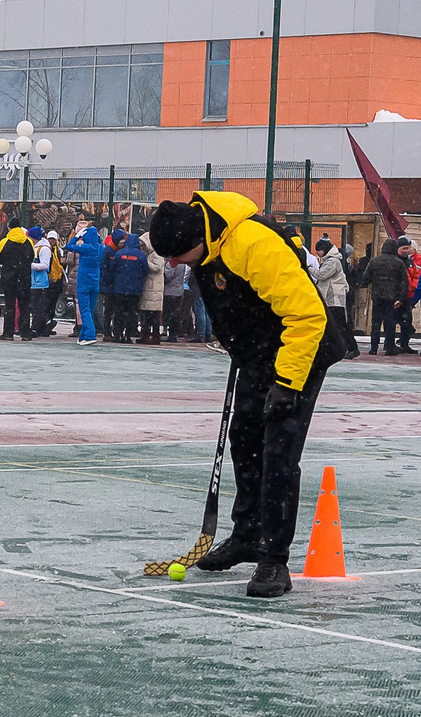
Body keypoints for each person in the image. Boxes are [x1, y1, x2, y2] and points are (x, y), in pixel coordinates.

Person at [147, 190, 347, 599]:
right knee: (245, 439)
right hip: (259, 352)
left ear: (195, 240)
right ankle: (246, 535)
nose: (171, 264)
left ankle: (274, 559)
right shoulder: (207, 248)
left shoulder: (253, 244)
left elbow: (305, 315)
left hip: (301, 349)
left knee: (279, 451)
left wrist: (287, 385)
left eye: (175, 256)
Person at [362, 236, 410, 354]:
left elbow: (365, 278)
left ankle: (373, 348)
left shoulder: (374, 261)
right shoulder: (398, 263)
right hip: (392, 298)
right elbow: (404, 282)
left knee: (376, 323)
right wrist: (400, 298)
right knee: (390, 323)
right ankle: (389, 347)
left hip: (377, 296)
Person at [312, 235, 357, 359]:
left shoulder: (332, 261)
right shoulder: (332, 260)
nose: (317, 252)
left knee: (340, 325)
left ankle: (352, 347)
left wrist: (309, 268)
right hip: (333, 298)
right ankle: (347, 347)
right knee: (338, 325)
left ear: (324, 249)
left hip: (334, 298)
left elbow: (321, 275)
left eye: (318, 250)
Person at [66, 215, 106, 344]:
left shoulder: (85, 248)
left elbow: (69, 245)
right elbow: (99, 242)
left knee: (84, 309)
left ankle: (89, 335)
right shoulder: (100, 248)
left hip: (83, 281)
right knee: (90, 309)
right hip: (95, 281)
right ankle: (83, 336)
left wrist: (77, 236)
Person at [105, 226, 148, 342]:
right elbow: (146, 270)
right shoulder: (141, 255)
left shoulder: (119, 254)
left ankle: (118, 334)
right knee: (131, 313)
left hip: (120, 288)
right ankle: (128, 335)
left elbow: (112, 268)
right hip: (135, 289)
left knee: (119, 312)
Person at [0, 218, 32, 339]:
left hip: (9, 278)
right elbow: (32, 257)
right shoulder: (28, 242)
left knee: (10, 305)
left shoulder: (5, 241)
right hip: (24, 278)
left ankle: (8, 333)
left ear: (9, 227)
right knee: (24, 305)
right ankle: (25, 333)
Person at [137, 228, 169, 343]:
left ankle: (155, 335)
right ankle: (146, 335)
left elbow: (157, 267)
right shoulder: (150, 253)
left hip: (154, 288)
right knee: (147, 314)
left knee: (153, 315)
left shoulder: (157, 253)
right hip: (149, 288)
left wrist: (145, 261)